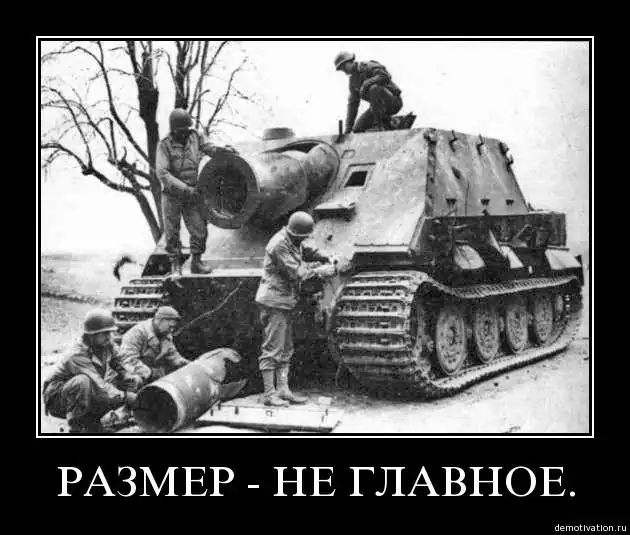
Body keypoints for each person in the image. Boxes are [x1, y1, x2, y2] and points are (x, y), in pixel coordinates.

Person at [254, 211, 336, 407]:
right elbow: (299, 273)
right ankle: (269, 394)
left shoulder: (292, 239)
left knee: (286, 349)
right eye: (303, 236)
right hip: (274, 301)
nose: (304, 240)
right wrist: (321, 271)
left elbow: (306, 250)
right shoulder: (279, 245)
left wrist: (325, 256)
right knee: (273, 349)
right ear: (295, 233)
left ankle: (283, 390)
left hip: (285, 300)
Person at [156, 108, 238, 275]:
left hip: (192, 193)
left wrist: (222, 151)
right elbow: (163, 173)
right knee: (172, 232)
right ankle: (175, 265)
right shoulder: (164, 145)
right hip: (172, 195)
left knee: (199, 229)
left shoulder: (195, 137)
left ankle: (196, 262)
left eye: (188, 128)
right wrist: (185, 190)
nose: (186, 132)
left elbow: (210, 148)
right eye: (182, 130)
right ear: (174, 130)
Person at [42, 309, 141, 433]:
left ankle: (102, 419)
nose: (109, 336)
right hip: (58, 398)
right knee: (82, 382)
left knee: (128, 380)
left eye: (110, 333)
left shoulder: (106, 344)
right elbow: (99, 384)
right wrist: (126, 396)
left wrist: (129, 375)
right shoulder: (77, 354)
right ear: (92, 335)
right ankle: (78, 426)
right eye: (104, 333)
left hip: (86, 390)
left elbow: (120, 360)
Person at [118, 306, 190, 386]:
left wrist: (182, 362)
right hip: (134, 374)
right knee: (135, 381)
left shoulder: (165, 334)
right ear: (160, 320)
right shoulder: (137, 333)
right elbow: (127, 360)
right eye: (170, 326)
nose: (172, 330)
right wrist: (150, 373)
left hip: (153, 375)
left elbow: (171, 354)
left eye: (173, 327)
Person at [334, 51, 403, 134]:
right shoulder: (353, 82)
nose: (344, 71)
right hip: (377, 108)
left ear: (350, 61)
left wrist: (366, 84)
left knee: (374, 88)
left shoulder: (368, 66)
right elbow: (353, 105)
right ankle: (390, 123)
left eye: (343, 67)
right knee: (357, 129)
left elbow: (385, 75)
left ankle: (379, 126)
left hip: (393, 102)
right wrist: (348, 130)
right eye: (341, 69)